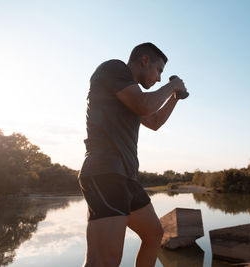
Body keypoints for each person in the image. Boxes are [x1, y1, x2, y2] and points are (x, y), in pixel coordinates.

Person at [77, 42, 188, 267]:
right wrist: (172, 85)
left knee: (154, 234)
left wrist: (174, 97)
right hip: (106, 172)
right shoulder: (114, 69)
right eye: (158, 71)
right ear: (144, 60)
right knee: (104, 261)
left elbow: (154, 121)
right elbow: (145, 106)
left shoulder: (131, 95)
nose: (158, 78)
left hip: (126, 177)